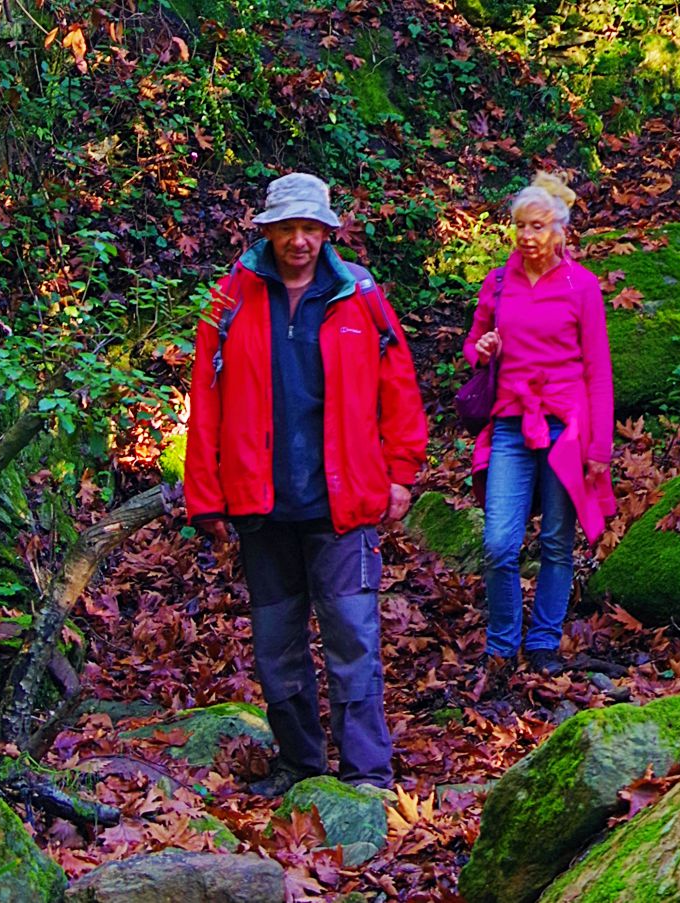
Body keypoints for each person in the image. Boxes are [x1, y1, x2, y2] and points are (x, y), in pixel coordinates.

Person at [183, 172, 428, 797]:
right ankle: (300, 764)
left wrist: (401, 472)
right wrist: (205, 495)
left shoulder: (358, 297)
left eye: (311, 229)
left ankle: (367, 774)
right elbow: (204, 400)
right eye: (288, 228)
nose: (300, 241)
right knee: (276, 648)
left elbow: (397, 387)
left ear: (326, 231)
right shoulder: (232, 299)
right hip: (261, 505)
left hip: (342, 505)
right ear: (267, 231)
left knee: (352, 640)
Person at [463, 172, 616, 683]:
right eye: (520, 226)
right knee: (500, 543)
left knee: (555, 541)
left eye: (538, 226)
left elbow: (598, 370)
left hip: (566, 429)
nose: (527, 235)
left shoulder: (582, 286)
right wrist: (483, 350)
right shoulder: (499, 281)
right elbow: (474, 343)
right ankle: (503, 646)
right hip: (510, 423)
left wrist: (600, 447)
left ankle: (544, 642)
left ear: (560, 231)